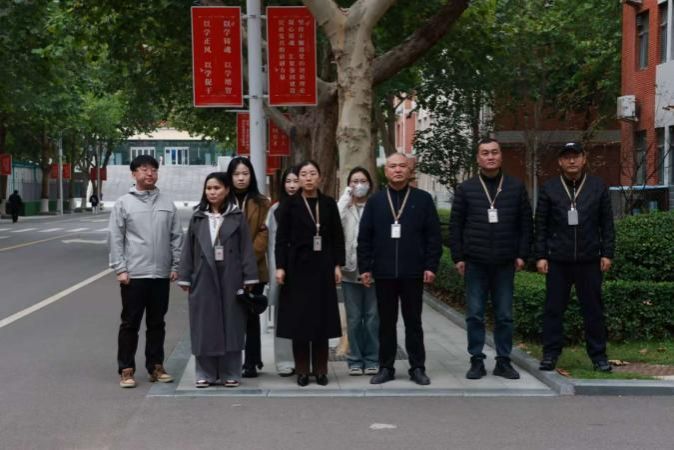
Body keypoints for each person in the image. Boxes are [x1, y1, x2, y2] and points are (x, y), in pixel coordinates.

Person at [449, 137, 532, 380]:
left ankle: (503, 361)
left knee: (504, 315)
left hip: (505, 262)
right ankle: (476, 360)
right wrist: (458, 257)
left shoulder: (515, 187)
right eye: (485, 153)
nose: (490, 156)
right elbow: (456, 225)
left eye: (494, 152)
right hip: (475, 262)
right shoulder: (466, 189)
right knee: (475, 314)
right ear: (478, 158)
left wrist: (522, 254)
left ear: (501, 156)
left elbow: (526, 224)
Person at [358, 153, 442, 386]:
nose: (397, 170)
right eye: (393, 166)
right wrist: (365, 267)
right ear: (386, 171)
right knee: (386, 323)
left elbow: (433, 236)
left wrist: (430, 265)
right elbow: (365, 237)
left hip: (413, 271)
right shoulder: (375, 201)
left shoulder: (423, 199)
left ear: (409, 170)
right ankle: (386, 367)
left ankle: (417, 367)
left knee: (413, 322)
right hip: (383, 271)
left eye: (402, 166)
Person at [535, 142, 615, 373]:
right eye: (567, 157)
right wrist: (540, 256)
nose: (572, 161)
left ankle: (599, 356)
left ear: (584, 159)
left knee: (593, 310)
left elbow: (607, 224)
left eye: (576, 156)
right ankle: (550, 354)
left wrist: (607, 253)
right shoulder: (549, 188)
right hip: (558, 261)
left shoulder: (597, 187)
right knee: (553, 310)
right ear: (560, 162)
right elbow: (540, 225)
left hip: (589, 259)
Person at [178, 172, 259, 388]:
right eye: (209, 188)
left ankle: (231, 372)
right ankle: (205, 373)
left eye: (217, 188)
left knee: (232, 324)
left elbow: (246, 248)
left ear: (226, 190)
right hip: (203, 277)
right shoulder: (198, 217)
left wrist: (249, 276)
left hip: (231, 276)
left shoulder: (237, 216)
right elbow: (188, 250)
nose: (212, 192)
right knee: (204, 325)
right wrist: (185, 276)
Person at [108, 154, 183, 388]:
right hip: (134, 275)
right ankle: (126, 369)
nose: (149, 173)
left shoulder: (167, 203)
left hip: (160, 274)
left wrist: (176, 265)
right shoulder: (123, 203)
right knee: (130, 323)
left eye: (153, 169)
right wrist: (120, 269)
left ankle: (156, 366)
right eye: (143, 169)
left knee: (157, 323)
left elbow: (176, 237)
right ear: (133, 174)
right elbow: (115, 238)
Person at [275, 160, 345, 387]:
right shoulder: (289, 204)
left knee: (321, 320)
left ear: (319, 177)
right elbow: (281, 239)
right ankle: (303, 370)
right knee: (300, 320)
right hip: (296, 268)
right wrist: (280, 267)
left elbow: (337, 236)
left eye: (312, 173)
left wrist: (337, 265)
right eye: (303, 174)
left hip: (323, 266)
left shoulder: (328, 203)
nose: (308, 178)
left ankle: (321, 369)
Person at [226, 156, 271, 378]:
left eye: (245, 173)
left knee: (251, 316)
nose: (241, 178)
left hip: (254, 268)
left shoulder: (262, 202)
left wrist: (246, 261)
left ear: (251, 175)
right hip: (227, 268)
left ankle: (252, 361)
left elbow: (264, 233)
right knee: (230, 316)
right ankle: (230, 361)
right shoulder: (222, 200)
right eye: (236, 174)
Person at [337, 167, 379, 376]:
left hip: (373, 270)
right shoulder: (345, 206)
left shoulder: (376, 205)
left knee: (372, 317)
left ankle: (372, 358)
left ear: (370, 184)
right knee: (353, 318)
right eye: (354, 181)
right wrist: (346, 197)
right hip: (349, 270)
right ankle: (354, 359)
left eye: (363, 181)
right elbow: (333, 223)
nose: (359, 185)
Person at [265, 166, 299, 376]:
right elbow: (271, 245)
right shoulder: (275, 209)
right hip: (283, 270)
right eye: (288, 181)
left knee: (305, 315)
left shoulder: (312, 207)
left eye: (296, 181)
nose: (292, 185)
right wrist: (276, 270)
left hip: (305, 269)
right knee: (283, 316)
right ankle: (285, 360)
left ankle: (304, 358)